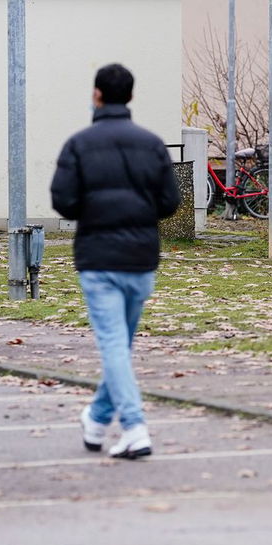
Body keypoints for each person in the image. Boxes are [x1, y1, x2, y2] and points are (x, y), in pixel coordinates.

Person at [50, 63, 180, 459]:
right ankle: (96, 417)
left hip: (99, 259)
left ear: (97, 95)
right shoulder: (152, 145)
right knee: (119, 345)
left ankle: (135, 426)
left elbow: (63, 201)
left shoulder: (79, 144)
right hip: (141, 260)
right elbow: (170, 202)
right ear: (132, 97)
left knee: (113, 346)